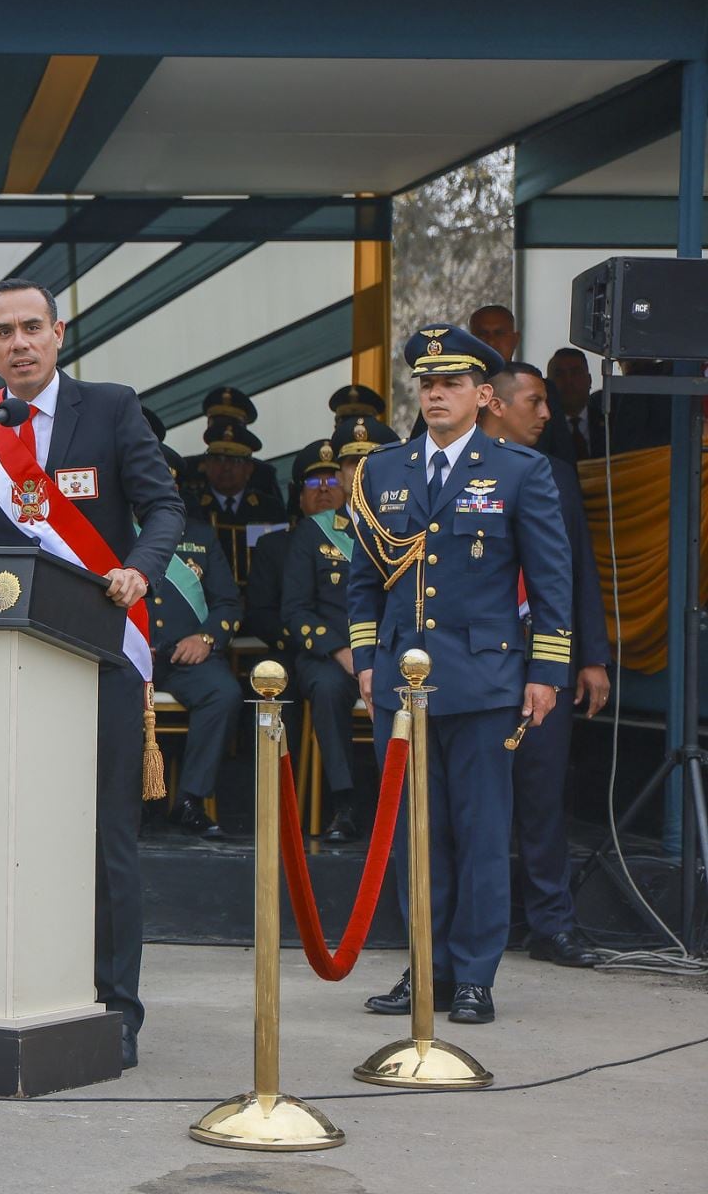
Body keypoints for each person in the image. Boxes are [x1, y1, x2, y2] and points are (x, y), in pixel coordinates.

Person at [0, 277, 184, 1069]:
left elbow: (164, 505)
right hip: (10, 660)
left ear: (59, 333)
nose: (19, 344)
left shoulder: (109, 407)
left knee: (106, 837)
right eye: (3, 333)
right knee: (11, 831)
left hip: (100, 649)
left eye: (32, 327)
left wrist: (141, 568)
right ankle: (21, 984)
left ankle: (117, 1004)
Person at [347, 324, 573, 1026]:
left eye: (451, 383)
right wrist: (363, 659)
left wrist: (548, 670)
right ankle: (428, 968)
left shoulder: (520, 471)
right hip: (399, 683)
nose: (436, 393)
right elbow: (364, 578)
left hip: (483, 679)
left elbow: (551, 577)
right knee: (414, 834)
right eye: (427, 383)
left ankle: (474, 974)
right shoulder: (382, 470)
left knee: (479, 832)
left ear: (483, 395)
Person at [479, 362, 611, 968]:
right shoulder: (457, 468)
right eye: (535, 400)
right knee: (474, 798)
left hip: (545, 655)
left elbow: (579, 569)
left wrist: (592, 658)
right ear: (497, 405)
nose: (547, 413)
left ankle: (550, 924)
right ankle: (473, 923)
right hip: (475, 659)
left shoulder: (556, 473)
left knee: (542, 790)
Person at [281, 424, 397, 843]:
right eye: (351, 463)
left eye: (371, 461)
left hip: (393, 653)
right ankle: (343, 803)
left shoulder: (406, 525)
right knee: (329, 691)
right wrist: (341, 650)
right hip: (330, 656)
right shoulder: (314, 531)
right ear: (342, 473)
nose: (361, 470)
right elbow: (294, 611)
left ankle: (405, 804)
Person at [149, 445, 243, 840]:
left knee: (224, 693)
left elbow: (229, 601)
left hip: (188, 656)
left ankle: (190, 800)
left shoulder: (201, 535)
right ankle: (115, 801)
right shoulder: (115, 533)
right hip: (133, 656)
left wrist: (207, 637)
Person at [189, 419, 287, 585]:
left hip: (260, 599)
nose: (226, 467)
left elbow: (279, 558)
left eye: (234, 461)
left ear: (249, 468)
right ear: (206, 464)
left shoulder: (270, 509)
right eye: (218, 459)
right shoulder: (192, 506)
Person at [547, 347, 605, 461]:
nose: (568, 380)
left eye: (575, 373)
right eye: (559, 374)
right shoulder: (540, 427)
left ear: (589, 380)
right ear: (548, 385)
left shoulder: (609, 420)